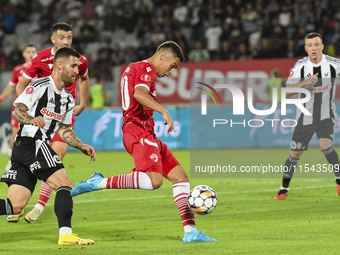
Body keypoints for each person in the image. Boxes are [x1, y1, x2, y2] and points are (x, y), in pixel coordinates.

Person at [71, 41, 216, 243]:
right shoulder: (144, 67)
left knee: (180, 177)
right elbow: (139, 94)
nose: (172, 72)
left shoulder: (140, 70)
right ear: (162, 57)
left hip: (148, 132)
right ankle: (98, 183)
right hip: (136, 130)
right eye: (172, 65)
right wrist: (164, 110)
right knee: (154, 181)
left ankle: (191, 232)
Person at [1, 47, 95, 246]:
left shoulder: (68, 99)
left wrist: (80, 145)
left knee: (14, 206)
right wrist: (30, 119)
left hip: (26, 149)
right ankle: (66, 235)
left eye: (78, 67)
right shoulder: (39, 85)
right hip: (30, 142)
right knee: (65, 184)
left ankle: (65, 235)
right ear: (59, 64)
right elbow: (18, 111)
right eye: (73, 65)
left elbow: (63, 129)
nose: (76, 71)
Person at [14, 22, 89, 223]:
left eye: (69, 38)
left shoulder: (78, 59)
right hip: (39, 119)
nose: (66, 41)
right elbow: (22, 85)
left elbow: (84, 78)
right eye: (62, 38)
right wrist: (27, 111)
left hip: (64, 111)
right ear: (53, 39)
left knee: (57, 158)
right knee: (56, 172)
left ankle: (39, 205)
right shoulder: (40, 59)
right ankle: (64, 231)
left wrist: (83, 103)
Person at [275, 32, 340, 200]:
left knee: (326, 146)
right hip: (305, 118)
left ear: (322, 46)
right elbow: (286, 92)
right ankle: (284, 188)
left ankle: (339, 180)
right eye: (310, 45)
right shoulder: (300, 66)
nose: (313, 48)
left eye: (316, 44)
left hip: (326, 115)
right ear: (305, 48)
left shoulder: (334, 64)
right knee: (295, 154)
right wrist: (305, 83)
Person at [0, 44, 37, 187]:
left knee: (34, 137)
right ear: (24, 54)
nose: (31, 54)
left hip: (34, 109)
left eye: (33, 51)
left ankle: (32, 165)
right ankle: (11, 163)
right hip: (19, 108)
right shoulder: (18, 70)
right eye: (28, 52)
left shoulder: (39, 69)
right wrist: (1, 98)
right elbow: (11, 86)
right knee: (15, 136)